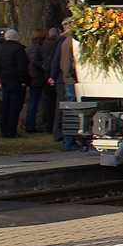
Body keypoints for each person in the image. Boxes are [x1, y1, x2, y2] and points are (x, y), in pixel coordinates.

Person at [0, 28, 30, 139]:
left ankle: (4, 129)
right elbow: (22, 67)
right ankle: (11, 130)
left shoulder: (1, 49)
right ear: (15, 37)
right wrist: (24, 80)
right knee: (15, 107)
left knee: (6, 106)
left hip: (5, 80)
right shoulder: (18, 49)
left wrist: (1, 77)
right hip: (16, 81)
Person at [52, 17, 79, 151]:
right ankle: (69, 141)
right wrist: (73, 76)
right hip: (71, 81)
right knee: (72, 110)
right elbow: (68, 65)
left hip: (68, 79)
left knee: (70, 109)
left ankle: (69, 141)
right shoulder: (70, 42)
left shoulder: (65, 41)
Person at [24, 27, 48, 132]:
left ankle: (30, 123)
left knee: (33, 101)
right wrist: (43, 65)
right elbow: (34, 60)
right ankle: (31, 124)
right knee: (34, 102)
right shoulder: (37, 47)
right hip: (36, 77)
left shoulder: (32, 46)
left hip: (33, 76)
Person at [39, 26, 60, 131]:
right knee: (52, 101)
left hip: (46, 73)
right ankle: (51, 125)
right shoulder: (55, 44)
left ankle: (48, 124)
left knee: (48, 100)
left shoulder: (44, 44)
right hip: (52, 74)